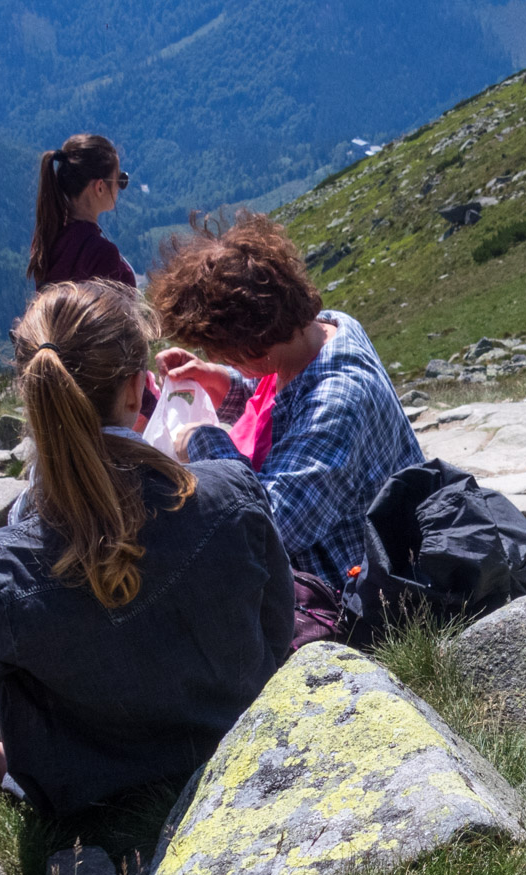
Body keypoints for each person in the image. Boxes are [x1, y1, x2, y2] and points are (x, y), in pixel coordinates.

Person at [0, 282, 294, 820]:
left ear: (32, 396)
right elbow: (276, 636)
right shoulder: (232, 491)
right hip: (236, 760)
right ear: (133, 390)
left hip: (89, 809)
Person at [146, 214, 424, 601]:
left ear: (255, 342)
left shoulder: (336, 401)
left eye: (220, 349)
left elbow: (268, 527)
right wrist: (218, 378)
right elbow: (274, 397)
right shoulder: (321, 331)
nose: (214, 355)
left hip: (353, 593)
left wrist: (198, 440)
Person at [27, 134, 136, 289]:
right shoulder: (103, 254)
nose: (120, 187)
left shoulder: (48, 238)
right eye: (120, 180)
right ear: (100, 187)